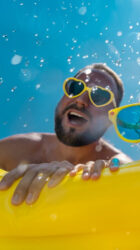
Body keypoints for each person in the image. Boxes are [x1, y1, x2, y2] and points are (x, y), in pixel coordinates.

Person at [0, 63, 132, 205]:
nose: (81, 100)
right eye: (75, 88)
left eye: (99, 96)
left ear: (111, 117)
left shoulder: (114, 163)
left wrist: (117, 168)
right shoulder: (13, 150)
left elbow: (130, 170)